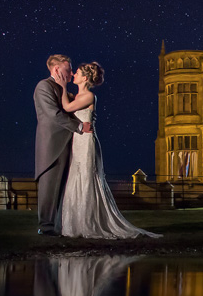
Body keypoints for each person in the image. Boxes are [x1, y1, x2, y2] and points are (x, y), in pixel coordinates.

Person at [55, 61, 161, 239]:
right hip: (78, 140)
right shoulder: (79, 96)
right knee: (76, 177)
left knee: (87, 177)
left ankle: (87, 223)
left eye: (78, 73)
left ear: (85, 78)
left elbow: (66, 107)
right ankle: (75, 223)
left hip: (86, 142)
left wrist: (62, 85)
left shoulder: (88, 96)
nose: (74, 75)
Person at [33, 54, 93, 236]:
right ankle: (46, 227)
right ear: (57, 70)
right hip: (52, 146)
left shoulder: (62, 89)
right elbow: (54, 115)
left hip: (69, 143)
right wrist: (80, 126)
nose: (72, 72)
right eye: (68, 69)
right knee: (49, 187)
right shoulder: (44, 86)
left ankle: (60, 226)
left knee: (64, 188)